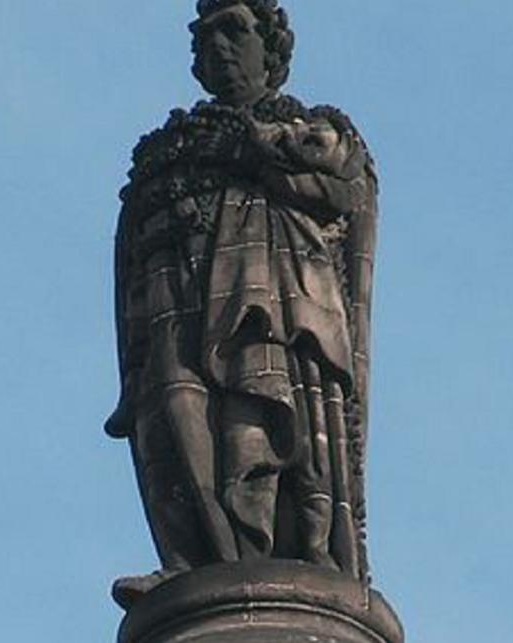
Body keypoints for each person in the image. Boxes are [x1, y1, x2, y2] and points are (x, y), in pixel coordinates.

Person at [106, 0, 378, 607]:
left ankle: (274, 564)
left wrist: (254, 143)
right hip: (173, 303)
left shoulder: (314, 129)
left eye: (234, 32)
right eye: (205, 38)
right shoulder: (165, 155)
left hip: (273, 307)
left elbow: (336, 184)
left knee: (258, 430)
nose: (218, 47)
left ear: (272, 50)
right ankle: (196, 560)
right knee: (171, 417)